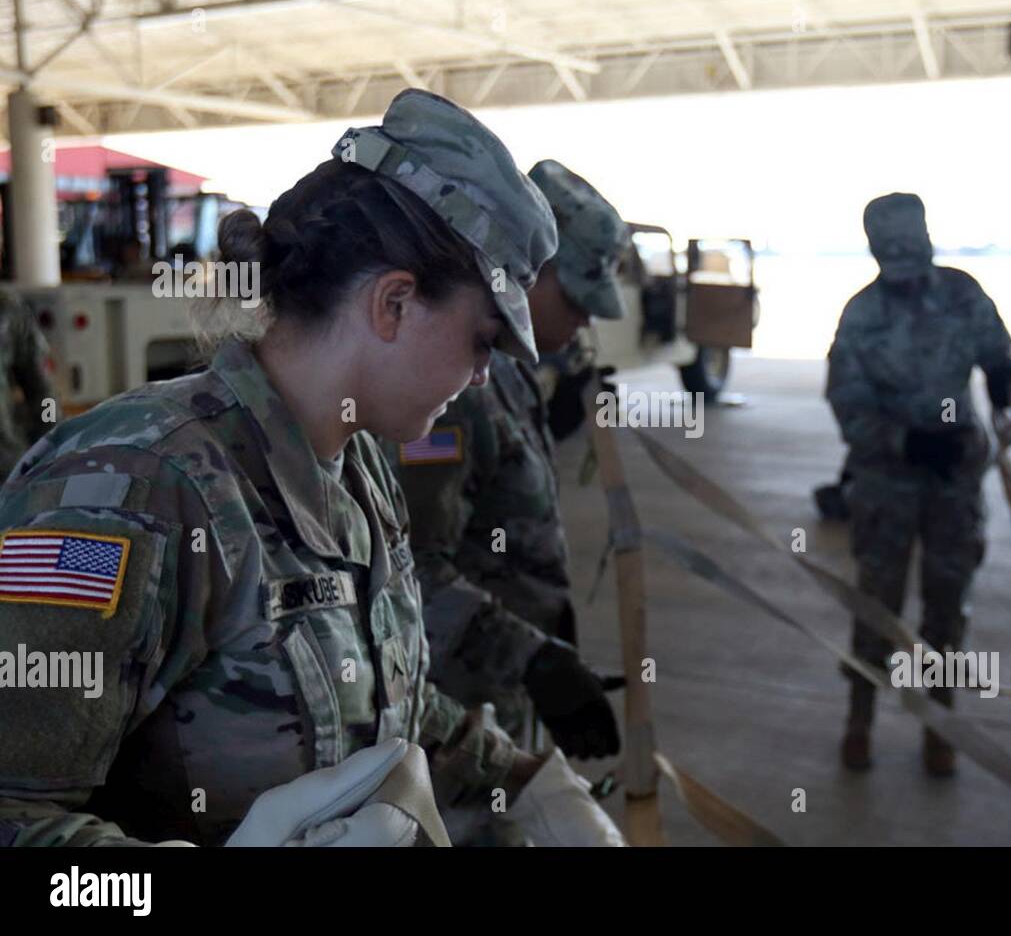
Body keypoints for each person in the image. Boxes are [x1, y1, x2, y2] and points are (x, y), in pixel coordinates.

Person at [0, 90, 622, 847]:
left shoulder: (358, 469)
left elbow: (385, 696)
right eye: (483, 340)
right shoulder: (136, 487)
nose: (483, 377)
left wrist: (520, 780)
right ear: (393, 303)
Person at [390, 161, 629, 772]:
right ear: (526, 270)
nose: (585, 319)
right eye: (575, 297)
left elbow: (500, 488)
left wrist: (567, 417)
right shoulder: (456, 392)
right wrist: (533, 660)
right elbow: (411, 565)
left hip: (501, 690)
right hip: (457, 711)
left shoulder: (509, 367)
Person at [825, 192, 1011, 776]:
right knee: (876, 607)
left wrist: (1007, 379)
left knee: (947, 609)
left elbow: (997, 353)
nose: (909, 282)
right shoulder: (861, 314)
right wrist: (907, 442)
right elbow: (847, 403)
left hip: (954, 483)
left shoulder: (963, 294)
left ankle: (939, 724)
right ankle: (859, 718)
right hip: (886, 485)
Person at [0, 288, 55, 481]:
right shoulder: (9, 310)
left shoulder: (9, 310)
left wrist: (53, 439)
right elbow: (44, 391)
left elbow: (44, 393)